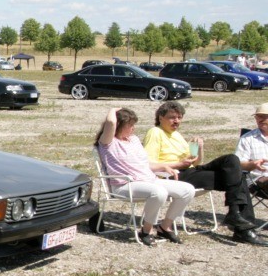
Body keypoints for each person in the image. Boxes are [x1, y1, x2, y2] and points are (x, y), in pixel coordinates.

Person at [142, 101, 265, 245]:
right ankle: (243, 229)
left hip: (190, 171)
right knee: (238, 177)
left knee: (232, 161)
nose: (176, 121)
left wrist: (199, 148)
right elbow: (149, 164)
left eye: (179, 117)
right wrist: (178, 164)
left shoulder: (176, 135)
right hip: (174, 175)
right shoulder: (155, 132)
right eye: (172, 117)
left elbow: (196, 163)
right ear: (160, 117)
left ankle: (235, 215)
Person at [96, 107, 194, 246]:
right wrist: (112, 109)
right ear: (119, 126)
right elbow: (111, 122)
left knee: (187, 190)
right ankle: (146, 230)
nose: (133, 128)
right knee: (159, 192)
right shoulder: (108, 143)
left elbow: (144, 164)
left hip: (149, 180)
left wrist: (163, 167)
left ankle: (164, 227)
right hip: (124, 185)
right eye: (130, 125)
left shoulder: (133, 140)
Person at [235, 102, 268, 210]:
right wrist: (252, 164)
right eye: (257, 117)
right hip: (258, 181)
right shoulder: (247, 139)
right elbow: (238, 164)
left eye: (264, 116)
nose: (260, 120)